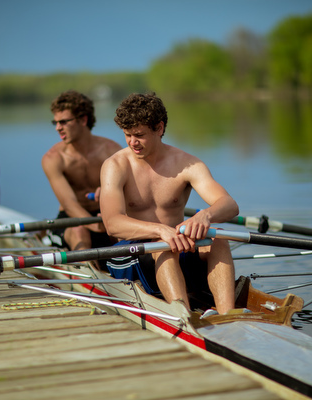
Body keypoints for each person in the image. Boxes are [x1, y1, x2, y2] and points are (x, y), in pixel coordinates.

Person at [99, 93, 238, 315]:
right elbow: (112, 224)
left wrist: (206, 215)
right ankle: (184, 318)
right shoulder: (115, 165)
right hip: (131, 253)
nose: (132, 142)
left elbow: (229, 205)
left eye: (139, 135)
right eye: (127, 135)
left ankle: (228, 317)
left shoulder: (187, 163)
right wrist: (160, 230)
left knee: (218, 238)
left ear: (159, 128)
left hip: (176, 247)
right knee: (162, 246)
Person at [42, 90, 121, 251]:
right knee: (80, 232)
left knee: (124, 232)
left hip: (105, 213)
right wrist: (96, 226)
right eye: (55, 123)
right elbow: (69, 204)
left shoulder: (111, 150)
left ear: (83, 120)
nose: (58, 128)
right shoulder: (53, 158)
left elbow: (130, 190)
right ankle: (87, 272)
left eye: (64, 122)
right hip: (71, 220)